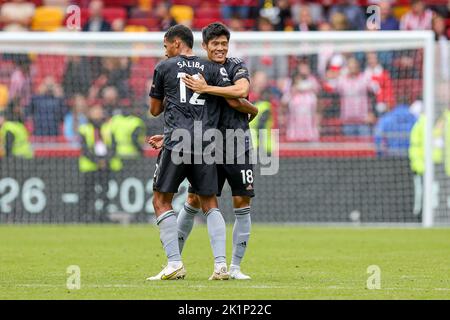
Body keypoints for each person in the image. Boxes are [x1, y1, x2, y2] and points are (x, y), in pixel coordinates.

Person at [150, 23, 258, 280]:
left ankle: (231, 267)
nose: (220, 48)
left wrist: (207, 89)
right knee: (197, 200)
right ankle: (181, 261)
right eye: (215, 44)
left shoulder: (229, 66)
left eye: (224, 43)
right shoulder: (205, 68)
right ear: (205, 46)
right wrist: (167, 136)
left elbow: (239, 94)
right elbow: (190, 110)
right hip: (208, 143)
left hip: (234, 144)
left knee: (240, 202)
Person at [78, 104, 122, 222]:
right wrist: (97, 161)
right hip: (89, 167)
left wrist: (105, 161)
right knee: (88, 192)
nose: (98, 114)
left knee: (104, 192)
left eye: (99, 111)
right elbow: (84, 150)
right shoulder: (84, 129)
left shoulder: (108, 128)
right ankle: (86, 215)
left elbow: (113, 147)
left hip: (105, 166)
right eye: (95, 111)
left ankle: (103, 215)